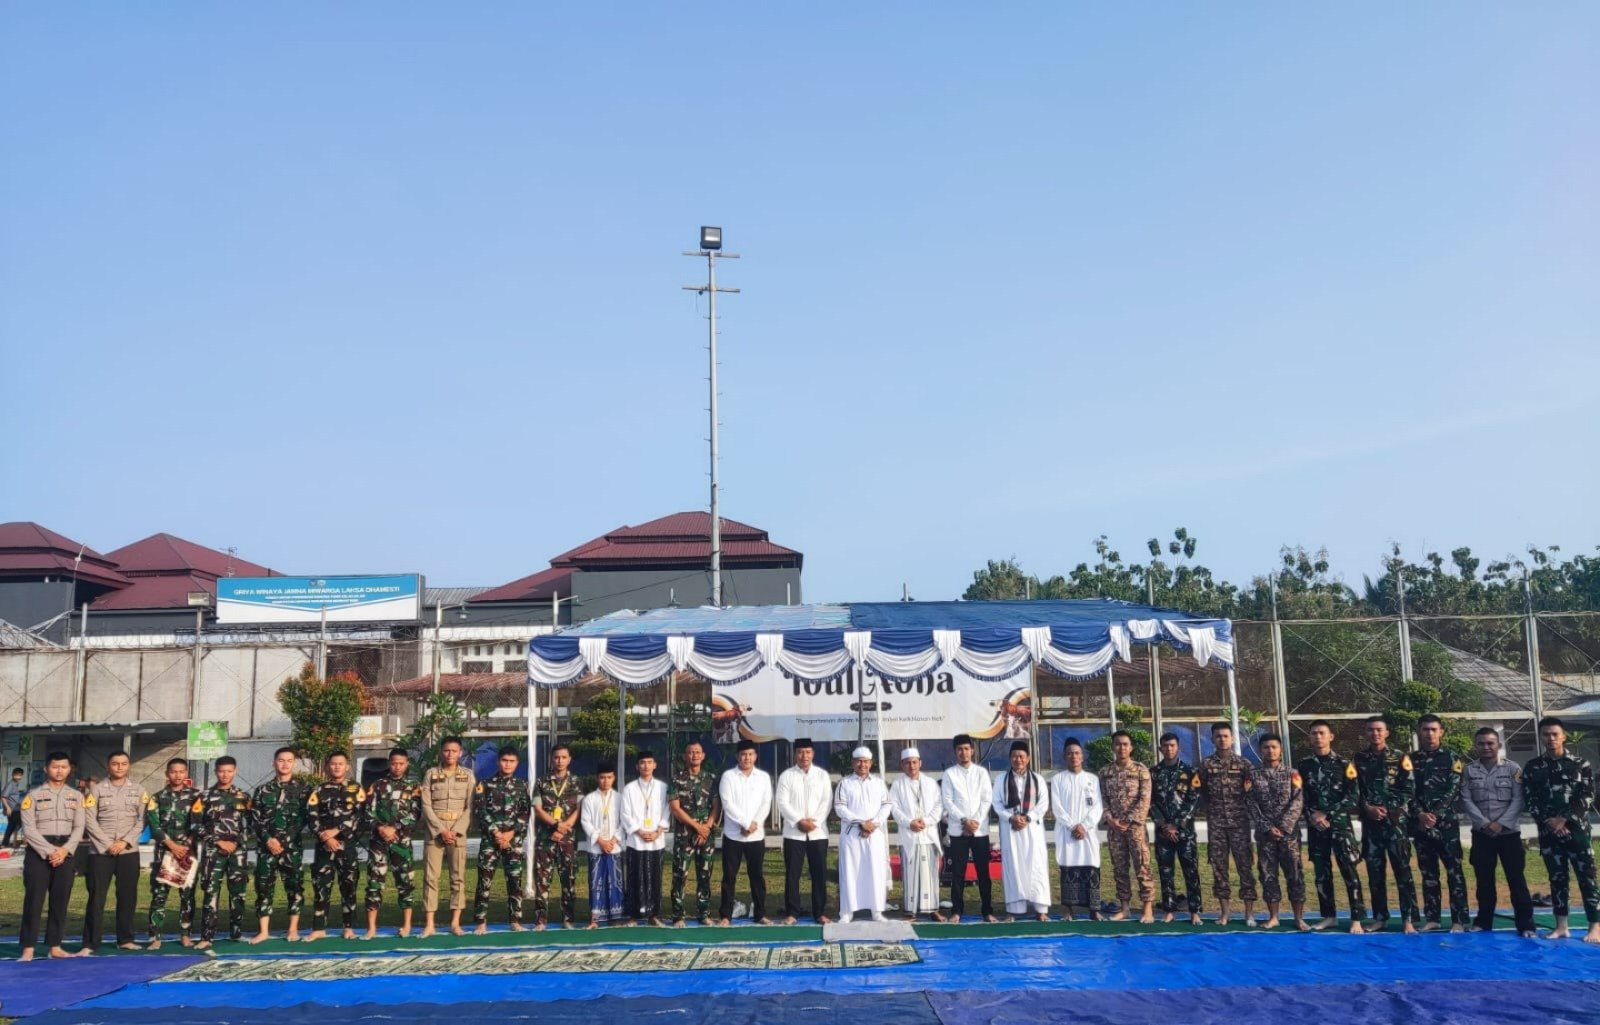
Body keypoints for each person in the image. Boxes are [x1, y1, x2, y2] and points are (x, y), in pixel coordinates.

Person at [1523, 717, 1600, 943]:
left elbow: (1587, 796)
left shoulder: (1580, 764)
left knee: (1588, 879)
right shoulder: (1533, 767)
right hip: (1549, 834)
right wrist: (1551, 821)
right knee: (1557, 879)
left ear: (1564, 736)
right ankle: (1561, 926)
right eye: (1546, 734)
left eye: (1555, 734)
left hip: (1576, 831)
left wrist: (1563, 819)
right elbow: (1530, 799)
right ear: (1541, 737)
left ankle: (1595, 926)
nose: (1551, 738)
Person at [1460, 726, 1535, 936]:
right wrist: (1485, 823)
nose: (1486, 747)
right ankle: (1483, 922)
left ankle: (1526, 925)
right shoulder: (1468, 770)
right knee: (1484, 881)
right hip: (1482, 834)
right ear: (1475, 746)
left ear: (1499, 745)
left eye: (1490, 743)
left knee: (1516, 880)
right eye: (1481, 743)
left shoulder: (1512, 769)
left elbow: (1519, 799)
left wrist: (1501, 823)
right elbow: (1466, 799)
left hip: (1509, 834)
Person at [17, 751, 86, 961]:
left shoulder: (77, 796)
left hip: (66, 851)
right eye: (55, 767)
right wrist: (49, 851)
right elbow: (29, 829)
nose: (59, 771)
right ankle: (28, 947)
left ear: (69, 769)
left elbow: (79, 826)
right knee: (34, 900)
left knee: (60, 900)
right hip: (39, 853)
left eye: (63, 767)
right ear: (46, 769)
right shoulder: (32, 796)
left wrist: (64, 850)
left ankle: (55, 946)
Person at [1299, 720, 1365, 933]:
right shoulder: (1304, 765)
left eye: (1321, 733)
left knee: (1349, 870)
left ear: (1331, 737)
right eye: (1314, 734)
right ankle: (1329, 916)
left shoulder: (1344, 765)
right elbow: (1300, 796)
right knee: (1321, 873)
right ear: (1309, 737)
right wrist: (1312, 816)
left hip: (1339, 826)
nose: (1318, 737)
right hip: (1317, 828)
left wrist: (1326, 813)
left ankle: (1356, 918)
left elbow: (1353, 795)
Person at [1354, 716, 1418, 933]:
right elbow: (1355, 789)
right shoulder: (1359, 758)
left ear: (1387, 732)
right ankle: (1380, 917)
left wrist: (1386, 808)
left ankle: (1407, 919)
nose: (1375, 734)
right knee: (1375, 873)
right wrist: (1368, 808)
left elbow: (1408, 788)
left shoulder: (1400, 757)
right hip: (1371, 825)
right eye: (1371, 730)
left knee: (1402, 870)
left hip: (1395, 823)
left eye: (1379, 730)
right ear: (1366, 733)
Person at [82, 750, 147, 952]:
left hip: (128, 852)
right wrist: (108, 843)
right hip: (101, 852)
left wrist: (124, 842)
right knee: (96, 897)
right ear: (108, 766)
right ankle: (91, 943)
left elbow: (143, 820)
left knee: (128, 896)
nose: (119, 767)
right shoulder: (97, 790)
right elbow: (89, 820)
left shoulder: (139, 790)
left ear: (129, 766)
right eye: (115, 763)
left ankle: (125, 939)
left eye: (123, 763)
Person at [1409, 714, 1469, 933]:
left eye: (1434, 729)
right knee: (1429, 874)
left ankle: (1459, 920)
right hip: (1421, 826)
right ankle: (1432, 918)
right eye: (1425, 729)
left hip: (1446, 827)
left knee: (1454, 872)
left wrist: (1434, 814)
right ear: (1419, 731)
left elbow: (1454, 790)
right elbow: (1407, 790)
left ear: (1441, 732)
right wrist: (1420, 814)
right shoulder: (1410, 760)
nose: (1430, 733)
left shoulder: (1452, 758)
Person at [250, 746, 308, 943]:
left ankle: (293, 929)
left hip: (291, 849)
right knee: (264, 888)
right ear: (274, 763)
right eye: (281, 760)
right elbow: (255, 819)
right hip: (266, 849)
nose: (285, 764)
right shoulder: (262, 790)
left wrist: (282, 841)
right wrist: (268, 839)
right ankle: (264, 931)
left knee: (295, 888)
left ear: (294, 763)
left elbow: (303, 818)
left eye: (289, 760)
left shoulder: (303, 789)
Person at [1248, 733, 1307, 931]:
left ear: (1281, 750)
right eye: (1266, 747)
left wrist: (1282, 827)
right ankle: (1273, 916)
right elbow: (1251, 803)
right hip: (1266, 836)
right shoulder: (1253, 775)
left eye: (1274, 747)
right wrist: (1266, 826)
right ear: (1260, 750)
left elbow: (1298, 801)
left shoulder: (1293, 774)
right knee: (1267, 875)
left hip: (1288, 835)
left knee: (1295, 874)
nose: (1270, 750)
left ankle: (1299, 917)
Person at [1200, 722, 1256, 926]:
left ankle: (1249, 913)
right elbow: (1202, 792)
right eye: (1218, 736)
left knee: (1245, 867)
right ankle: (1224, 913)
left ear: (1232, 739)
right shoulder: (1206, 765)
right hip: (1216, 825)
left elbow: (1251, 793)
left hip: (1239, 823)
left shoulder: (1244, 765)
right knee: (1219, 868)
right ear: (1213, 739)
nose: (1222, 739)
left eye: (1225, 736)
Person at [193, 755, 252, 948]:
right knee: (211, 893)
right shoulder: (205, 797)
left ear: (235, 772)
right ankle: (206, 937)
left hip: (237, 853)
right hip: (213, 853)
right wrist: (218, 842)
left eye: (229, 771)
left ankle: (236, 933)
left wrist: (236, 842)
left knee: (238, 893)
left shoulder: (243, 797)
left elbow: (252, 824)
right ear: (216, 772)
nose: (225, 775)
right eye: (221, 771)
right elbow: (196, 825)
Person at [306, 751, 364, 942]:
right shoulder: (318, 790)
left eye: (341, 764)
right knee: (321, 887)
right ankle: (318, 927)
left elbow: (362, 817)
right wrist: (325, 836)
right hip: (324, 847)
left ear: (347, 766)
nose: (337, 767)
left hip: (346, 846)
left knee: (349, 887)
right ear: (327, 766)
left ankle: (348, 927)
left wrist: (338, 831)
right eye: (333, 764)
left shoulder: (356, 789)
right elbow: (311, 816)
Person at [420, 736, 475, 937]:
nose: (450, 754)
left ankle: (455, 923)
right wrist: (441, 830)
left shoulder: (468, 776)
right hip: (435, 831)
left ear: (460, 753)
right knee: (430, 878)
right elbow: (426, 805)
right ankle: (430, 924)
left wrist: (456, 830)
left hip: (458, 832)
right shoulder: (431, 774)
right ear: (441, 752)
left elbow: (471, 806)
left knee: (457, 878)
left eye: (454, 751)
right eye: (446, 750)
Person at [474, 746, 532, 933]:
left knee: (514, 881)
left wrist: (511, 833)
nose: (508, 764)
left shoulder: (522, 785)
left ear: (517, 763)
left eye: (512, 761)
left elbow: (525, 812)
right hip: (491, 841)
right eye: (504, 760)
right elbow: (481, 811)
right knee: (484, 881)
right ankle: (481, 922)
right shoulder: (485, 784)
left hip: (512, 841)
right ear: (498, 762)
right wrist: (497, 833)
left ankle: (515, 920)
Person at [364, 747, 420, 939]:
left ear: (407, 764)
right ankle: (371, 928)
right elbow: (367, 812)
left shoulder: (413, 786)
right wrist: (381, 828)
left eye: (401, 763)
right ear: (389, 764)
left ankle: (406, 925)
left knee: (405, 882)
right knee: (374, 883)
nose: (397, 767)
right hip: (378, 842)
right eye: (394, 763)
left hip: (401, 841)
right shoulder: (377, 785)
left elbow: (415, 814)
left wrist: (394, 828)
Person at [145, 756, 201, 949]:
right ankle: (155, 937)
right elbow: (154, 825)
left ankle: (185, 935)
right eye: (173, 771)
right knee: (159, 895)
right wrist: (172, 845)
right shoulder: (157, 797)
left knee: (187, 896)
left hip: (187, 853)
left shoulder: (196, 796)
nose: (177, 775)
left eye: (181, 771)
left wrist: (186, 844)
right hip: (164, 853)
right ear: (167, 774)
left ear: (186, 773)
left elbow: (199, 823)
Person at [940, 734, 997, 923]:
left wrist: (975, 823)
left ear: (972, 750)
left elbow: (986, 799)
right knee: (958, 872)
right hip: (959, 830)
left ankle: (987, 911)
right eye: (959, 749)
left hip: (979, 831)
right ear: (955, 752)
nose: (963, 752)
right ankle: (957, 911)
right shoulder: (949, 774)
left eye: (966, 749)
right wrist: (964, 821)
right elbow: (947, 801)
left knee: (983, 872)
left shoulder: (981, 773)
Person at [992, 739, 1051, 921]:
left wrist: (1028, 817)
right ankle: (1014, 909)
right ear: (1010, 758)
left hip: (1032, 828)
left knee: (1037, 865)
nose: (1018, 759)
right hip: (1010, 828)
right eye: (1014, 756)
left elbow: (1043, 804)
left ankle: (1041, 909)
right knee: (1013, 865)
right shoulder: (1001, 779)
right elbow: (996, 803)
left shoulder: (1038, 779)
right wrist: (1011, 817)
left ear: (1028, 759)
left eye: (1021, 756)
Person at [776, 737, 832, 924]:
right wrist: (799, 820)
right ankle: (792, 912)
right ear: (795, 754)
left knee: (819, 874)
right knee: (793, 874)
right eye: (800, 752)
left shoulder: (822, 775)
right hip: (794, 833)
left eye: (808, 752)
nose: (804, 756)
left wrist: (813, 822)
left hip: (818, 832)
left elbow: (826, 802)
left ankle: (820, 912)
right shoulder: (786, 776)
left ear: (813, 754)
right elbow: (782, 802)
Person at [1100, 731, 1155, 923]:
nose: (1121, 748)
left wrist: (1129, 820)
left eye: (1125, 744)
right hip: (1115, 829)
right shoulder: (1106, 772)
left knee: (1142, 867)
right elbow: (1103, 800)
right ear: (1113, 747)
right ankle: (1124, 908)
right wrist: (1110, 819)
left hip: (1135, 828)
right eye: (1117, 744)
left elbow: (1145, 799)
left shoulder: (1141, 770)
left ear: (1131, 747)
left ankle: (1147, 908)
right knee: (1119, 868)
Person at [718, 738, 773, 925]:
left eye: (750, 754)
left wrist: (754, 823)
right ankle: (726, 915)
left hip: (756, 835)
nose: (747, 758)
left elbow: (766, 803)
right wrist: (744, 823)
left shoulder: (764, 777)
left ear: (755, 756)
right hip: (734, 834)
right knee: (729, 877)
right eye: (743, 755)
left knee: (757, 876)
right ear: (737, 756)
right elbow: (727, 803)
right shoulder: (728, 776)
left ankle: (760, 913)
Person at [1151, 732, 1203, 925]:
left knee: (1191, 871)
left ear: (1178, 747)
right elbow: (1151, 803)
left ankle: (1195, 911)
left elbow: (1194, 801)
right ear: (1160, 748)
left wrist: (1177, 824)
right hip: (1163, 832)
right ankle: (1169, 910)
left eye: (1172, 745)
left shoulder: (1191, 772)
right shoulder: (1153, 773)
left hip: (1185, 833)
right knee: (1165, 872)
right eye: (1165, 746)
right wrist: (1165, 825)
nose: (1169, 749)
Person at [835, 746, 891, 922]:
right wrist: (861, 822)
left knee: (875, 871)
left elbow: (887, 805)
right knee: (850, 871)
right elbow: (840, 808)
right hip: (852, 835)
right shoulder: (845, 783)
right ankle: (847, 911)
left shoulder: (879, 783)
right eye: (859, 761)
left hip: (874, 834)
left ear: (871, 763)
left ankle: (876, 910)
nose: (862, 764)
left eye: (866, 761)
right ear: (853, 763)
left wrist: (873, 824)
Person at [1051, 736, 1103, 921]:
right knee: (1068, 868)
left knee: (1091, 867)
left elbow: (1097, 806)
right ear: (1065, 757)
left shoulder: (1092, 779)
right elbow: (1057, 807)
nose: (1074, 756)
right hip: (1068, 832)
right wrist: (1073, 825)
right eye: (1070, 753)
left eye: (1077, 753)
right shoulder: (1058, 779)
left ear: (1083, 757)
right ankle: (1068, 909)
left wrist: (1085, 826)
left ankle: (1094, 909)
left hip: (1088, 833)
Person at [889, 747, 944, 922]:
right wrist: (909, 822)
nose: (911, 766)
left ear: (920, 763)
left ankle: (932, 909)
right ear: (902, 765)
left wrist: (926, 821)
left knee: (930, 874)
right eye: (907, 763)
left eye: (914, 762)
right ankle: (909, 911)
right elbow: (894, 808)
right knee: (910, 874)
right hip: (909, 835)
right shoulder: (897, 785)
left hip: (928, 834)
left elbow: (939, 806)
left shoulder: (931, 783)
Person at [532, 743, 583, 930]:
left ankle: (568, 918)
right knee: (542, 879)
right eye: (556, 757)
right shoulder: (541, 782)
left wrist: (565, 826)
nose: (560, 761)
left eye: (563, 757)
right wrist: (555, 825)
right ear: (551, 759)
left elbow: (579, 808)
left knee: (568, 878)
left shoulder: (576, 782)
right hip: (545, 838)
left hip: (567, 839)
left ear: (569, 759)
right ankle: (541, 919)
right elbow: (537, 809)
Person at [621, 749, 668, 926]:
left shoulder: (663, 787)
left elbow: (667, 810)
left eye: (649, 762)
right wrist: (639, 831)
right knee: (635, 877)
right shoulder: (630, 788)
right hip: (636, 840)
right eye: (642, 763)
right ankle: (633, 915)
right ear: (637, 766)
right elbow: (625, 814)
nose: (646, 766)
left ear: (655, 765)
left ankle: (653, 915)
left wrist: (657, 831)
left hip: (657, 839)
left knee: (655, 877)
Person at [580, 760, 624, 928]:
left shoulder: (620, 798)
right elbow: (586, 822)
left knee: (615, 881)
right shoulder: (590, 799)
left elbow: (624, 821)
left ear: (614, 778)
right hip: (596, 847)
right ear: (597, 779)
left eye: (609, 777)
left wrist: (613, 841)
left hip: (614, 846)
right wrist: (600, 840)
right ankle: (595, 918)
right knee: (596, 881)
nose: (606, 781)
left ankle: (616, 916)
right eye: (602, 777)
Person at [3, 767, 25, 847]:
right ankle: (27, 842)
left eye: (20, 775)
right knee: (24, 823)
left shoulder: (15, 784)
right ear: (12, 775)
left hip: (15, 808)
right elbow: (3, 797)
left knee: (11, 826)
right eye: (16, 775)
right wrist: (8, 808)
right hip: (13, 809)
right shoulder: (11, 784)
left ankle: (5, 843)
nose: (18, 777)